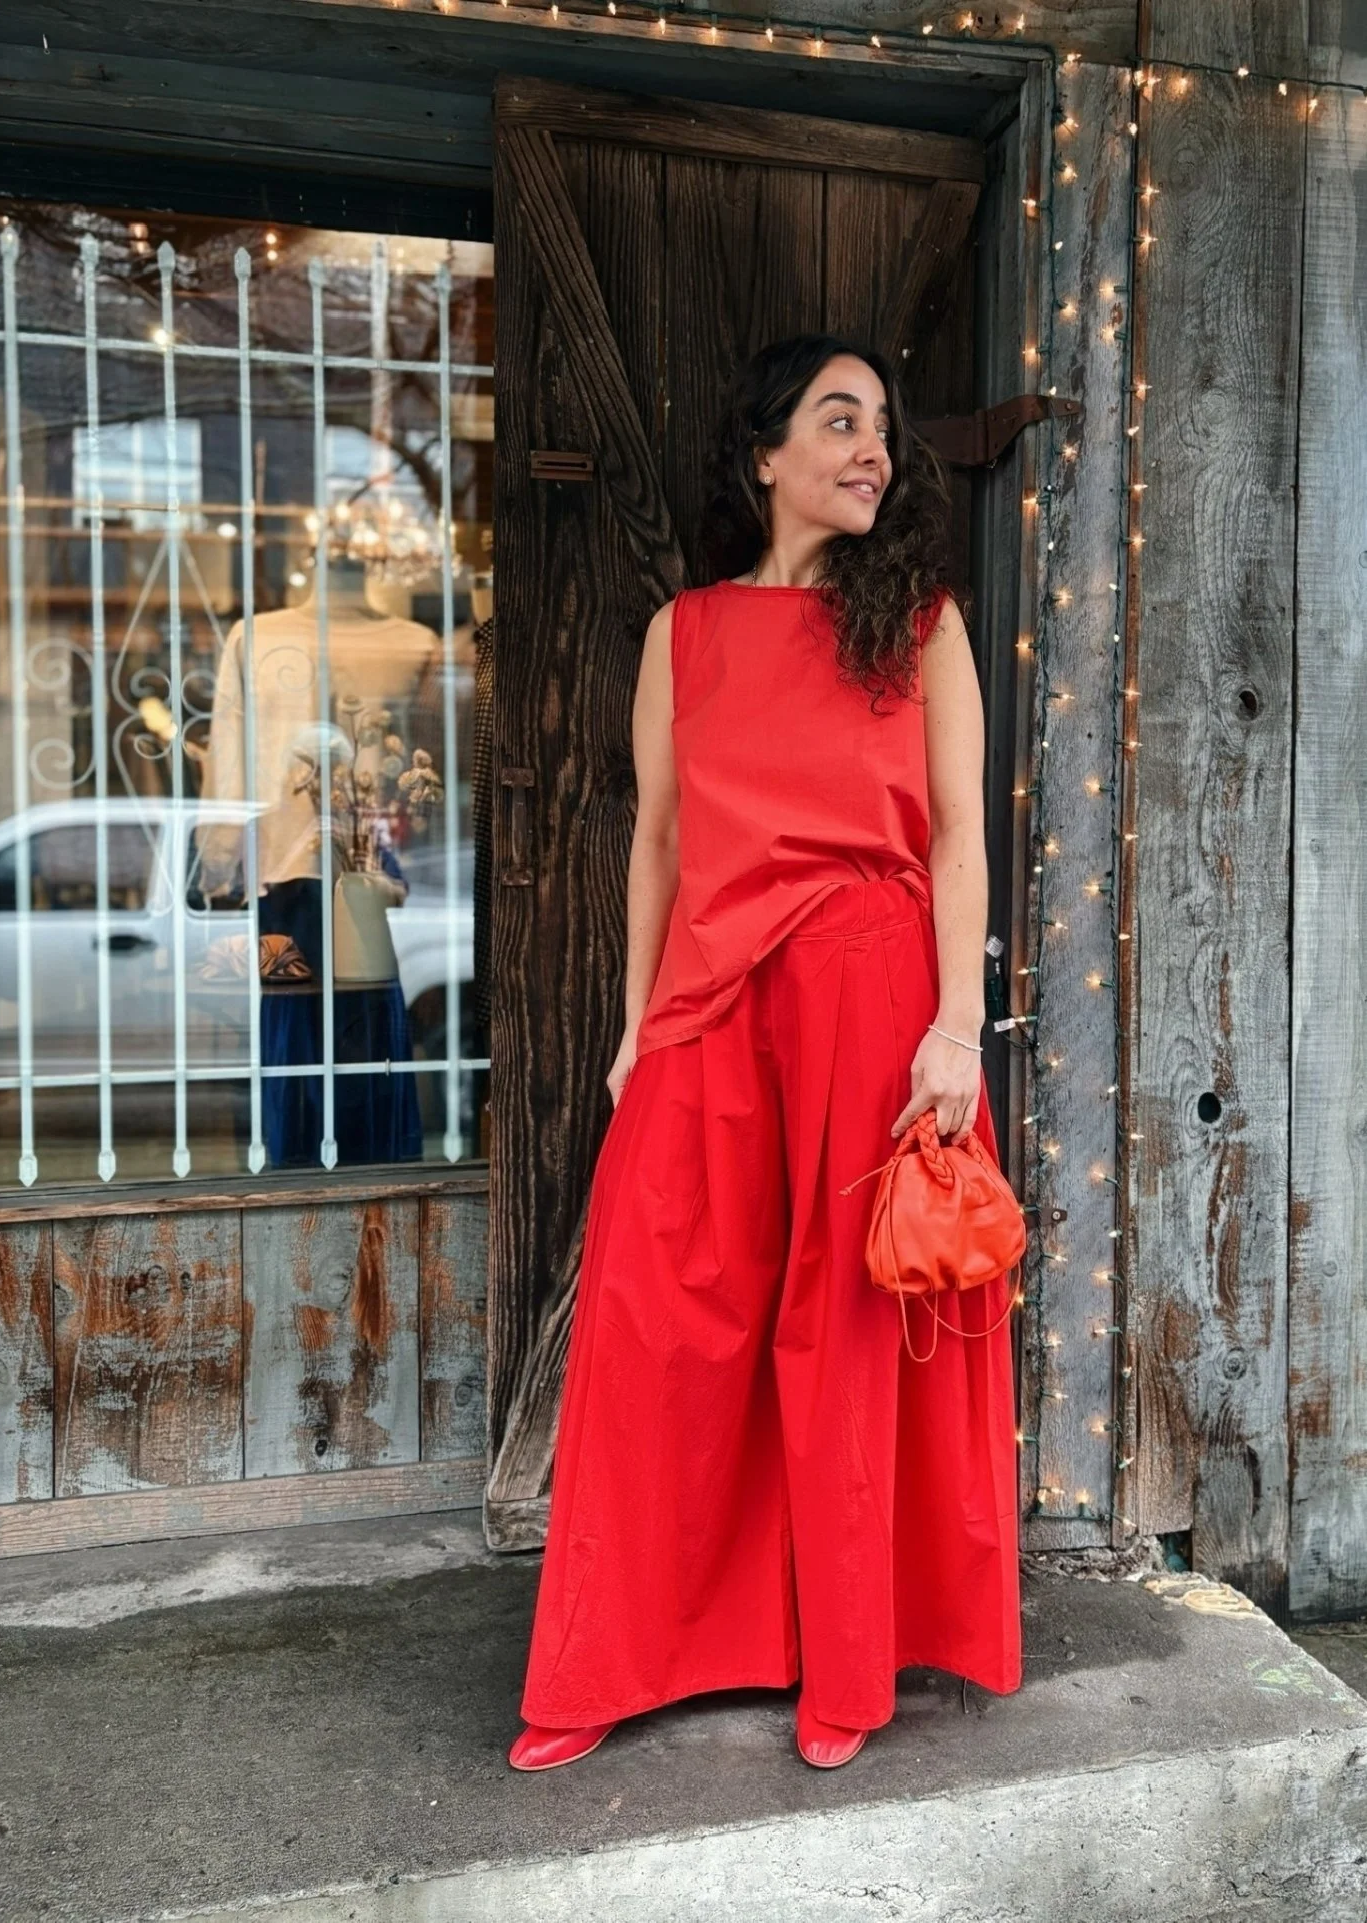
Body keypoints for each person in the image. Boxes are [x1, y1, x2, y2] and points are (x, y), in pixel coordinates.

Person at [508, 334, 1023, 1774]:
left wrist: (954, 1028)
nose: (873, 449)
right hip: (710, 993)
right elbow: (658, 841)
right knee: (654, 1313)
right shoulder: (689, 630)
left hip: (869, 987)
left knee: (841, 1326)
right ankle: (607, 1658)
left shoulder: (917, 619)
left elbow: (960, 839)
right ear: (767, 456)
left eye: (883, 430)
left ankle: (846, 1667)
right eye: (839, 421)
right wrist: (631, 1029)